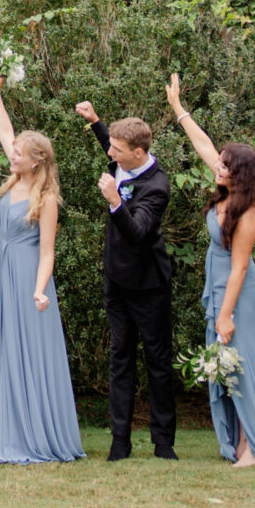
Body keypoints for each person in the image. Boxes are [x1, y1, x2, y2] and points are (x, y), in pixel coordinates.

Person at [166, 76, 255, 470]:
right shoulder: (224, 191)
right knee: (224, 363)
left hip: (238, 291)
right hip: (217, 281)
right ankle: (239, 442)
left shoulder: (249, 211)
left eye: (225, 163)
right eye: (220, 161)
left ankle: (253, 447)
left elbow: (240, 267)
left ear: (239, 173)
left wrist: (225, 314)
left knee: (241, 362)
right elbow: (202, 144)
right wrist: (177, 106)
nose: (217, 165)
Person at [0, 78, 81, 466]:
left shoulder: (46, 198)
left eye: (19, 154)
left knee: (32, 353)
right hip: (6, 273)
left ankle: (38, 434)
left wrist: (40, 290)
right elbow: (4, 130)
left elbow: (47, 252)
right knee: (10, 351)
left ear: (37, 160)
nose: (12, 156)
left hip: (29, 280)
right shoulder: (14, 181)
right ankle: (14, 433)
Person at [75, 100, 175, 462]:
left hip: (149, 286)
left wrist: (115, 201)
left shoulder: (157, 185)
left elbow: (137, 234)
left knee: (157, 361)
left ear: (139, 152)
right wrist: (96, 121)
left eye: (117, 150)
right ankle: (120, 441)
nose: (110, 154)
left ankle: (164, 443)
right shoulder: (122, 160)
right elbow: (110, 144)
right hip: (116, 282)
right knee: (120, 358)